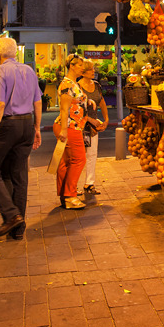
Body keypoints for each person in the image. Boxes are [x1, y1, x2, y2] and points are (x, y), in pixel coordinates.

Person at [0, 36, 43, 239]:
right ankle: (18, 229)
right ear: (15, 52)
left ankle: (11, 215)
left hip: (8, 124)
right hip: (26, 123)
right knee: (19, 175)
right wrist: (36, 127)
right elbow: (38, 102)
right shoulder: (29, 70)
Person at [56, 54, 103, 210]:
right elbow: (64, 109)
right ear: (72, 66)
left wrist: (87, 101)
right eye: (80, 65)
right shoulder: (67, 84)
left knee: (67, 162)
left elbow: (76, 101)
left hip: (74, 125)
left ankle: (65, 194)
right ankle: (70, 196)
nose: (83, 68)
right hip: (70, 126)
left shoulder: (72, 84)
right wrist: (64, 130)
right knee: (79, 160)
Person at [78, 59, 109, 196]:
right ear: (82, 72)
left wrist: (106, 119)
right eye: (90, 69)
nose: (93, 71)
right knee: (78, 156)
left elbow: (102, 102)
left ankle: (89, 183)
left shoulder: (96, 85)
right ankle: (73, 185)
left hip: (93, 126)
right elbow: (75, 108)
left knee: (92, 154)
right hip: (79, 124)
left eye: (93, 69)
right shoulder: (77, 87)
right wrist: (89, 119)